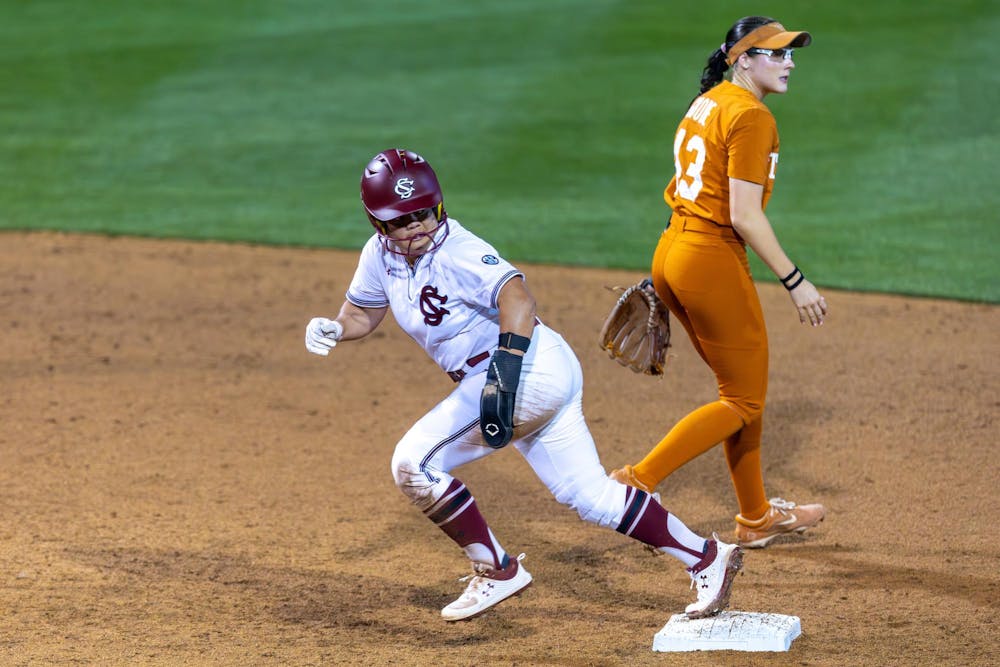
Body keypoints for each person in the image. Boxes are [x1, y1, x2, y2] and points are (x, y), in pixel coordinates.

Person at [305, 148, 743, 622]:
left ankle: (497, 570)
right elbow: (362, 312)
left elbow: (518, 298)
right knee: (590, 496)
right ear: (377, 224)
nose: (416, 228)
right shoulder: (378, 257)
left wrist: (504, 374)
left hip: (522, 368)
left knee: (414, 464)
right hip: (533, 371)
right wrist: (335, 327)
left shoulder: (458, 250)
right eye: (400, 221)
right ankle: (707, 558)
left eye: (423, 214)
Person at [610, 17, 828, 549]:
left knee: (741, 392)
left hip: (675, 251)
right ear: (743, 60)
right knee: (744, 402)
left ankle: (755, 517)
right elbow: (745, 216)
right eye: (775, 54)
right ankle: (632, 483)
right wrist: (795, 281)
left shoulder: (707, 101)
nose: (789, 62)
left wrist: (671, 274)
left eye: (789, 54)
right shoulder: (751, 116)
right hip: (707, 258)